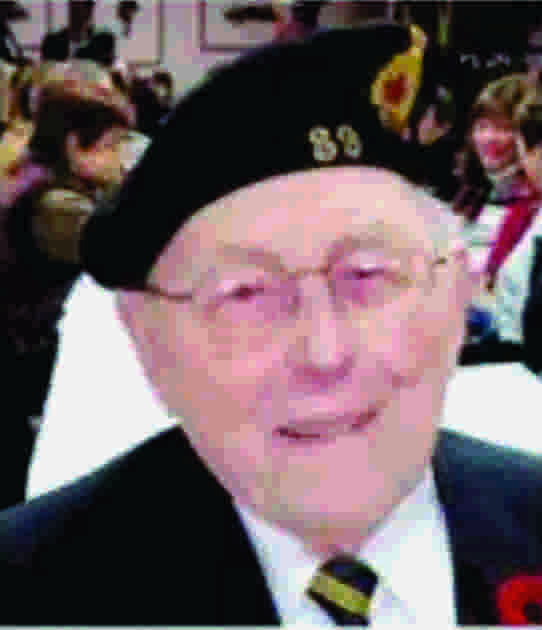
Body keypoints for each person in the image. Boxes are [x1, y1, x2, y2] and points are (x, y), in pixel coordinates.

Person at [2, 23, 542, 627]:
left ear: (455, 295)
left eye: (369, 275)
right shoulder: (31, 591)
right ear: (148, 341)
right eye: (246, 294)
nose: (324, 352)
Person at [0, 59, 133, 510]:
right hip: (24, 368)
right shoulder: (55, 207)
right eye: (111, 146)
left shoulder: (32, 177)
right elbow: (124, 253)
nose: (119, 159)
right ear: (76, 146)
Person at [41, 0, 116, 67]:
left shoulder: (104, 43)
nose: (74, 11)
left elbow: (107, 70)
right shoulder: (52, 43)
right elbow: (46, 69)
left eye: (78, 7)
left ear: (90, 10)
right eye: (73, 5)